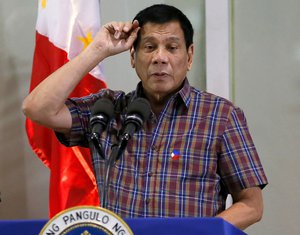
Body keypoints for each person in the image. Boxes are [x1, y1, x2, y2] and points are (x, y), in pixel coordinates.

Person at [22, 4, 268, 230]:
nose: (160, 57)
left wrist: (197, 233)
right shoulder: (106, 109)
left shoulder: (220, 116)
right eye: (149, 47)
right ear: (132, 56)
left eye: (172, 48)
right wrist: (97, 50)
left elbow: (251, 205)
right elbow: (37, 108)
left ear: (189, 56)